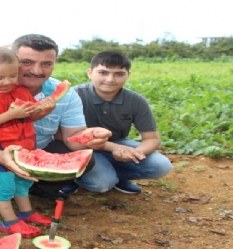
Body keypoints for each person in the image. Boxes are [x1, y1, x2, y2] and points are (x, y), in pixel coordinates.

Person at [0, 34, 112, 212]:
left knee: (85, 159)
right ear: (13, 60)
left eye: (46, 64)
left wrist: (90, 136)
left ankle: (37, 189)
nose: (37, 71)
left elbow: (73, 137)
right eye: (27, 62)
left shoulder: (67, 94)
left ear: (55, 62)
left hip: (33, 148)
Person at [0, 47, 54, 237]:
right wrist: (10, 114)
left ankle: (26, 213)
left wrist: (44, 110)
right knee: (2, 188)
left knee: (22, 184)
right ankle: (9, 222)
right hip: (1, 154)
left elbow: (29, 116)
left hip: (25, 150)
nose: (7, 82)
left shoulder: (20, 90)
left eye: (13, 76)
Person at [62, 51, 173, 195]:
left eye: (119, 74)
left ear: (128, 75)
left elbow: (152, 138)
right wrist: (114, 148)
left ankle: (118, 177)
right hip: (78, 147)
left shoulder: (136, 101)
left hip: (119, 142)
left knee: (161, 166)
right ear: (90, 73)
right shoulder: (74, 95)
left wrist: (134, 153)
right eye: (103, 72)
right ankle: (71, 178)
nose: (110, 79)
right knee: (101, 184)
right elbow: (62, 135)